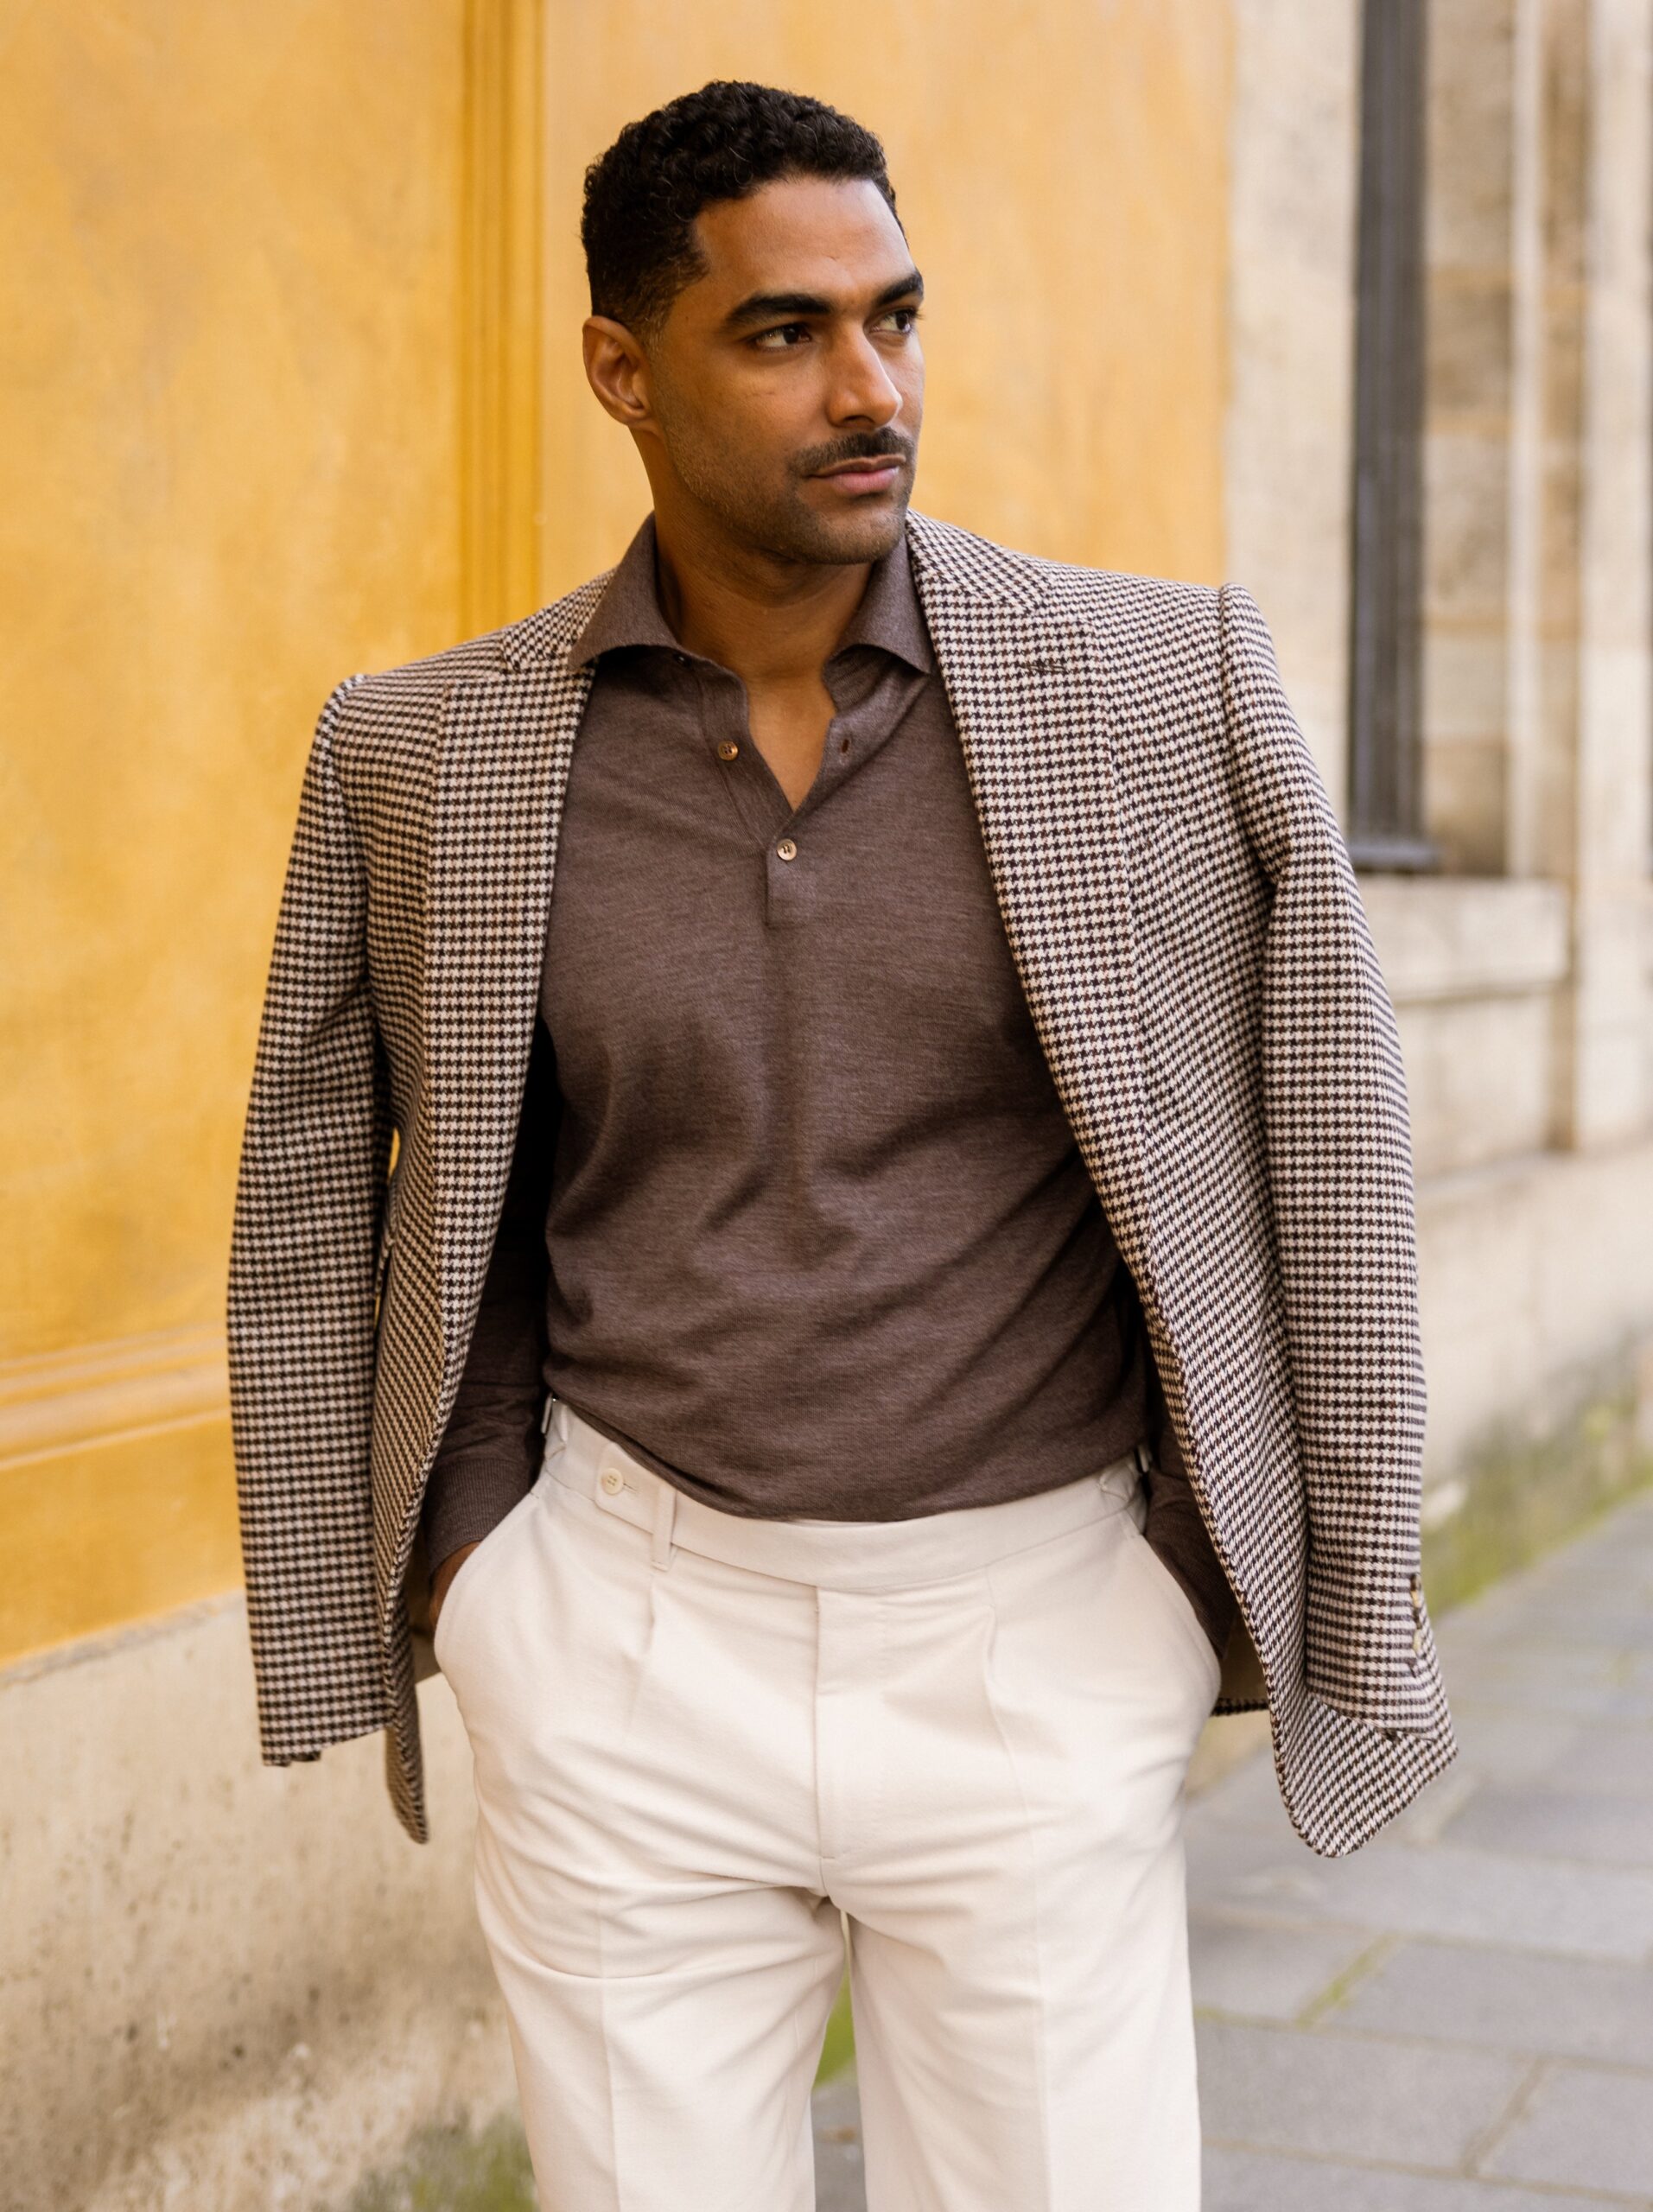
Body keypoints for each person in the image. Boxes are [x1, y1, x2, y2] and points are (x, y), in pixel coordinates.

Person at [228, 79, 1454, 2212]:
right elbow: (318, 1190)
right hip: (619, 1639)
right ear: (623, 367)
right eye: (784, 334)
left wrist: (1202, 1591)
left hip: (1036, 1629)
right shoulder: (426, 747)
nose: (871, 387)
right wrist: (468, 1575)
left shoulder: (1166, 683)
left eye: (895, 316)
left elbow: (1334, 1153)